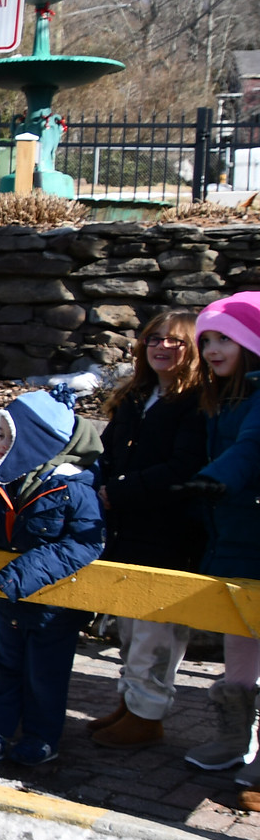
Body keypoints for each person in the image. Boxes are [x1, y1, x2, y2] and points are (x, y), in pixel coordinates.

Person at [0, 390, 104, 770]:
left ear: (35, 445)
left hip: (53, 605)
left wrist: (23, 574)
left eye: (7, 438)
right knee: (4, 665)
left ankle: (41, 737)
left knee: (45, 673)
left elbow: (85, 543)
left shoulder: (72, 489)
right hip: (10, 600)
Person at [86, 312, 207, 749]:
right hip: (126, 525)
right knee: (130, 625)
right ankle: (130, 704)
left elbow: (183, 468)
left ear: (191, 350)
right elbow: (111, 451)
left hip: (167, 530)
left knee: (157, 628)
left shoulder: (195, 402)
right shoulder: (138, 396)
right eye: (154, 338)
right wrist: (100, 482)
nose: (160, 347)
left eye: (174, 341)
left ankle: (148, 713)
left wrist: (119, 491)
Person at [169, 293, 260, 809]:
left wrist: (214, 480)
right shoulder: (221, 397)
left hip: (250, 527)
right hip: (231, 531)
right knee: (239, 636)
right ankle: (233, 738)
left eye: (224, 338)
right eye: (206, 341)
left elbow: (251, 448)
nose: (212, 349)